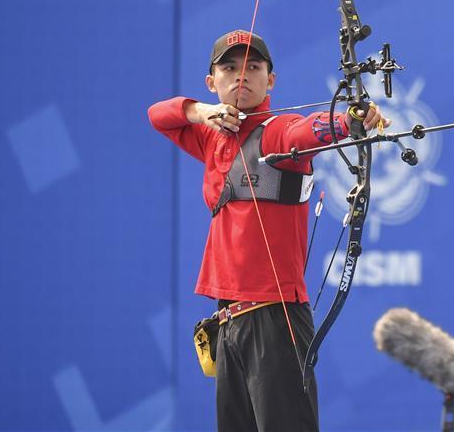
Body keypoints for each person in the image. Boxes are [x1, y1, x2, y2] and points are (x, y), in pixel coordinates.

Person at [148, 29, 390, 432]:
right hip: (227, 322)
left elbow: (309, 129)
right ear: (212, 82)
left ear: (270, 80)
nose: (241, 75)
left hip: (276, 322)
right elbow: (158, 114)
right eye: (229, 68)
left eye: (253, 67)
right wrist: (202, 112)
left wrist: (350, 119)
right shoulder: (211, 137)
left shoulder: (277, 131)